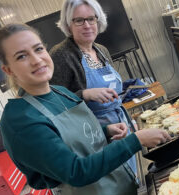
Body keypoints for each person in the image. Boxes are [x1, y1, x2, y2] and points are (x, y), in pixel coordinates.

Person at [0, 23, 170, 195]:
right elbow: (75, 172)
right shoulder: (21, 120)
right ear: (8, 69)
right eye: (22, 56)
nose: (36, 60)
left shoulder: (58, 92)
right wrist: (135, 141)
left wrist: (106, 132)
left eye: (38, 49)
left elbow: (77, 136)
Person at [50, 0, 138, 174]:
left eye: (91, 18)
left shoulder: (101, 50)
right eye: (79, 20)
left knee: (132, 178)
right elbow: (53, 102)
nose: (87, 25)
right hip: (93, 137)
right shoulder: (61, 54)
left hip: (120, 127)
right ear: (69, 24)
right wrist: (85, 93)